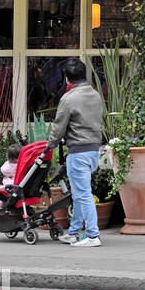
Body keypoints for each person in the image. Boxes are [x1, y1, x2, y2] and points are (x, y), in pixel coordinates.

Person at [45, 58, 105, 247]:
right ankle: (73, 232)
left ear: (67, 79)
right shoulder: (95, 94)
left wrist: (49, 145)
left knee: (83, 194)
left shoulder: (69, 98)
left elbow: (58, 127)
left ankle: (93, 235)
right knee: (80, 192)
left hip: (78, 152)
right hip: (94, 151)